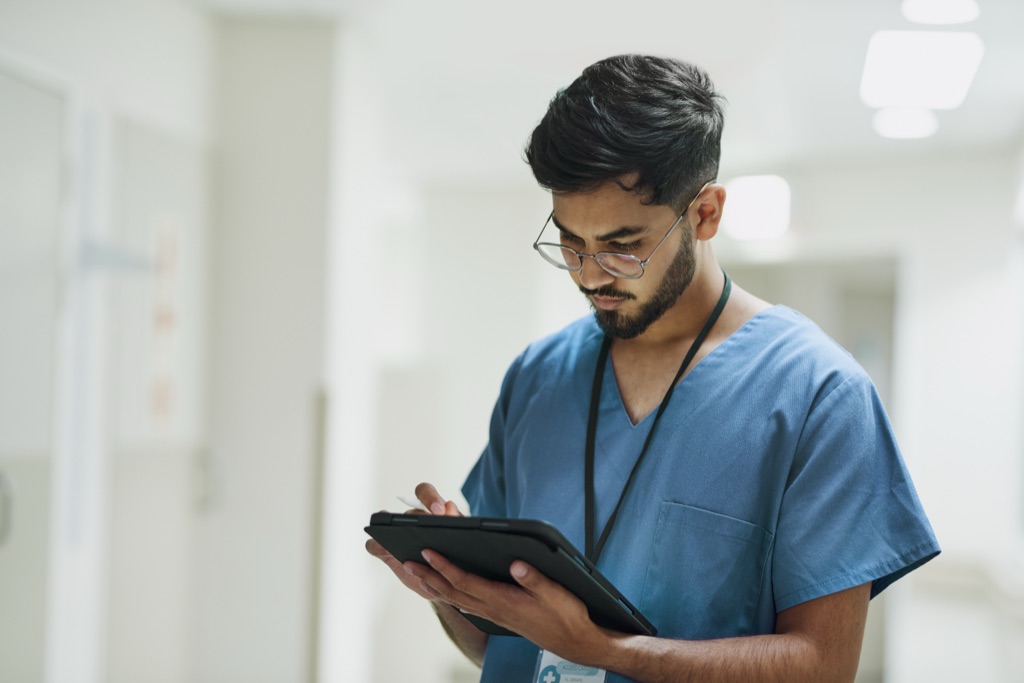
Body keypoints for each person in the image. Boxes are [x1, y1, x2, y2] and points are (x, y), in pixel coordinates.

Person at [366, 54, 939, 682]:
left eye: (622, 246)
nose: (589, 275)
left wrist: (607, 651)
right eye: (570, 242)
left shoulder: (816, 395)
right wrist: (451, 588)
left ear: (705, 213)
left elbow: (823, 667)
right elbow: (500, 646)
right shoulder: (538, 376)